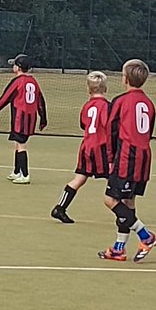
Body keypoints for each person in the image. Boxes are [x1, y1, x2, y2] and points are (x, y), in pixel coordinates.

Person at [98, 59, 156, 263]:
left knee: (110, 200)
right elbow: (148, 131)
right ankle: (119, 248)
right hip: (144, 157)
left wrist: (109, 159)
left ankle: (146, 236)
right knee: (128, 202)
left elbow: (111, 132)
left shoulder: (120, 101)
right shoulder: (149, 103)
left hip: (127, 157)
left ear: (125, 78)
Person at [49, 71, 111, 224]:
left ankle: (60, 207)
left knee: (80, 178)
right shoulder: (108, 107)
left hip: (86, 146)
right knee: (115, 179)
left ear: (89, 89)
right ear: (105, 89)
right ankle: (124, 214)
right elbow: (109, 127)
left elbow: (83, 124)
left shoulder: (87, 106)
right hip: (101, 148)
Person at [0, 54, 47, 185]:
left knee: (21, 145)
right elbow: (41, 101)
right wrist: (43, 118)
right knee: (17, 144)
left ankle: (25, 174)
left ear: (18, 68)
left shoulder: (17, 82)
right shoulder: (33, 81)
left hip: (20, 119)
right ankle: (16, 171)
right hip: (30, 119)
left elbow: (4, 98)